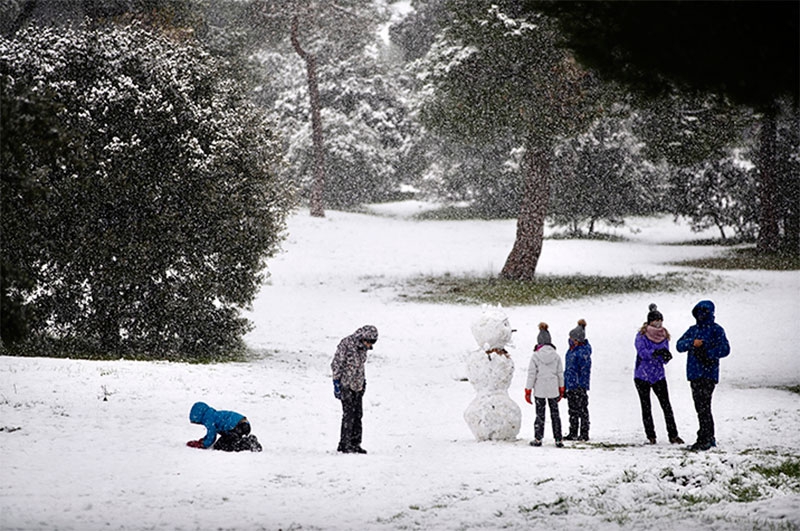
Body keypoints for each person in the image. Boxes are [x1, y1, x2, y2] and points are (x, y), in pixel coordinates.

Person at [676, 300, 730, 451]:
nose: (701, 315)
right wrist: (692, 343)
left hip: (708, 374)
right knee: (700, 406)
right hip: (694, 374)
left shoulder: (716, 330)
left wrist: (709, 353)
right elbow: (679, 345)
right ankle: (707, 437)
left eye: (704, 312)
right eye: (698, 312)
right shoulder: (693, 330)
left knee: (704, 406)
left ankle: (705, 437)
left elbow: (725, 349)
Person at [634, 304, 684, 445]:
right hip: (642, 376)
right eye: (656, 320)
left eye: (660, 320)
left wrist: (665, 356)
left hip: (658, 376)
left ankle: (673, 435)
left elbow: (664, 357)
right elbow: (642, 352)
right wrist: (655, 353)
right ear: (650, 321)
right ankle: (651, 435)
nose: (658, 323)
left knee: (666, 405)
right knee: (646, 406)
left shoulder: (664, 335)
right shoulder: (641, 336)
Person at [331, 325, 378, 454]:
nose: (369, 345)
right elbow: (336, 363)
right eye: (369, 342)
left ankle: (355, 443)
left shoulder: (363, 348)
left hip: (358, 385)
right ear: (363, 337)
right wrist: (336, 382)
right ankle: (344, 444)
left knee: (358, 415)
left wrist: (363, 383)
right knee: (348, 415)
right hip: (345, 385)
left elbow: (360, 367)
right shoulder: (346, 344)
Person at [525, 322, 565, 448]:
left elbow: (532, 374)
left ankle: (538, 438)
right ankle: (558, 439)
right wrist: (561, 388)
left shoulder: (535, 356)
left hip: (540, 390)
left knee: (540, 415)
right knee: (555, 415)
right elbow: (560, 374)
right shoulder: (556, 356)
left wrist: (528, 390)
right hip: (553, 389)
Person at [186, 401, 262, 452]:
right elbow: (211, 433)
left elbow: (211, 435)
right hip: (243, 424)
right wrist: (204, 439)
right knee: (227, 440)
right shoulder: (212, 414)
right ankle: (247, 440)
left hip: (237, 426)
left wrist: (203, 444)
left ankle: (248, 443)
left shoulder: (208, 419)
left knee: (221, 445)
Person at [563, 319, 592, 441]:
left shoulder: (582, 352)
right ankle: (573, 431)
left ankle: (584, 433)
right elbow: (567, 369)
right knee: (572, 410)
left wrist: (580, 384)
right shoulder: (571, 351)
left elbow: (584, 370)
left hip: (579, 385)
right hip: (571, 384)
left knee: (582, 410)